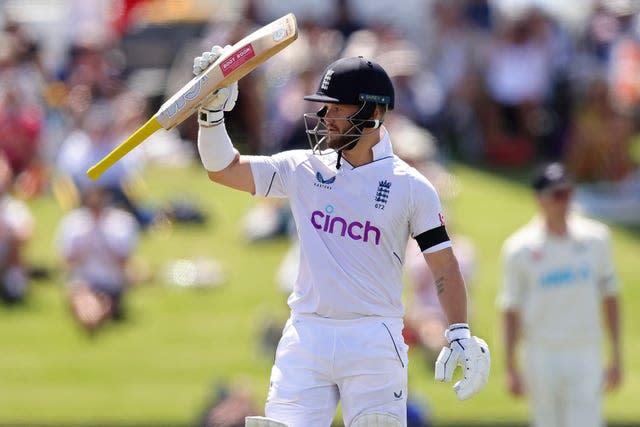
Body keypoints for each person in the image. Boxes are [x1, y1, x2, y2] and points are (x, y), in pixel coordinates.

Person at [192, 47, 490, 427]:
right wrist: (211, 115)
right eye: (324, 107)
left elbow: (443, 263)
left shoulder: (412, 187)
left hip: (373, 338)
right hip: (307, 334)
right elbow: (223, 170)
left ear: (373, 112)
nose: (325, 117)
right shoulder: (302, 167)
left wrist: (460, 331)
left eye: (337, 108)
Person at [498, 162, 623, 427]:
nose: (564, 202)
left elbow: (610, 296)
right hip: (541, 351)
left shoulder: (596, 239)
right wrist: (509, 367)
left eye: (568, 193)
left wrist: (616, 356)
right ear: (539, 200)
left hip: (585, 348)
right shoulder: (519, 248)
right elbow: (510, 308)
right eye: (557, 195)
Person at [54, 184, 140, 333]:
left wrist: (102, 240)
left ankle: (96, 316)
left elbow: (125, 262)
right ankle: (90, 316)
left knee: (100, 304)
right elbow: (66, 262)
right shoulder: (73, 222)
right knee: (85, 301)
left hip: (111, 284)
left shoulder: (121, 223)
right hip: (83, 283)